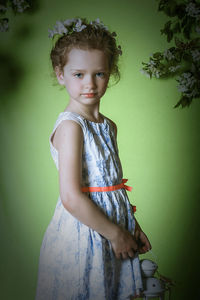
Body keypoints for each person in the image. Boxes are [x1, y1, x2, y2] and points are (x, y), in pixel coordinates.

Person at [35, 17, 152, 300]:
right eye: (79, 74)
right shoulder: (71, 126)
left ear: (110, 73)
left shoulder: (108, 126)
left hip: (114, 229)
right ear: (60, 73)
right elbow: (71, 197)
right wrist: (115, 234)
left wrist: (131, 227)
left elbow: (111, 185)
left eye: (99, 73)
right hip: (83, 235)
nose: (90, 83)